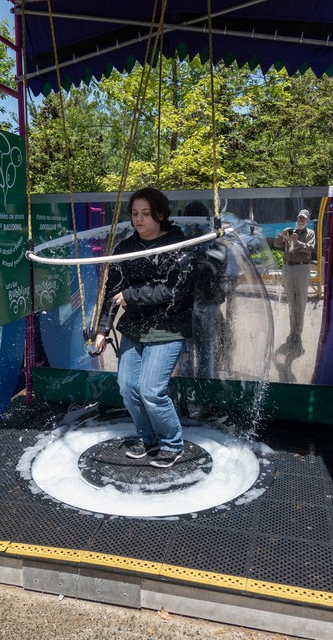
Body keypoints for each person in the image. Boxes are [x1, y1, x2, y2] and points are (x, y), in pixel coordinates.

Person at [94, 187, 195, 468]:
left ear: (160, 214)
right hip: (135, 328)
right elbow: (111, 291)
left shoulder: (178, 246)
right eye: (135, 214)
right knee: (127, 387)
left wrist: (132, 295)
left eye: (146, 214)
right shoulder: (125, 249)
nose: (139, 219)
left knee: (151, 390)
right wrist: (102, 329)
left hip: (168, 328)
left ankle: (172, 444)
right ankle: (149, 439)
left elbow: (176, 290)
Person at [273, 209, 316, 351]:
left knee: (301, 302)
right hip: (288, 269)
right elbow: (277, 244)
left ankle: (298, 334)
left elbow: (310, 248)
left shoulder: (310, 233)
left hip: (301, 269)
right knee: (291, 302)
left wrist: (297, 242)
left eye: (303, 219)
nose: (301, 221)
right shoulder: (290, 232)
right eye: (299, 218)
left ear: (308, 220)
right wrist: (282, 235)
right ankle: (292, 332)